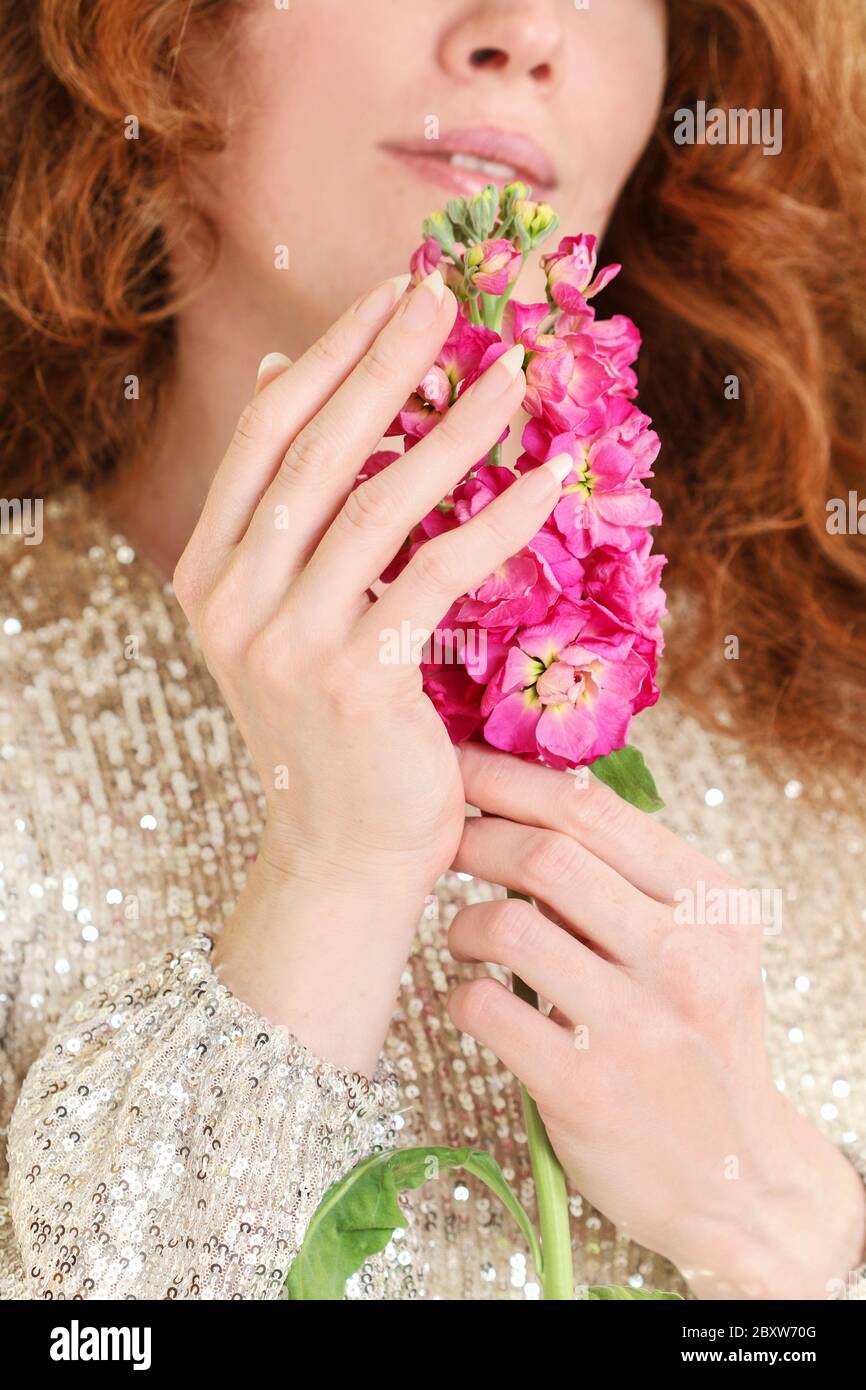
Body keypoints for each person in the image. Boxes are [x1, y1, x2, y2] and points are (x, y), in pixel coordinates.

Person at [1, 0, 864, 1301]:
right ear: (149, 42)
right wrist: (330, 878)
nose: (522, 28)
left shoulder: (816, 713)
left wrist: (782, 1232)